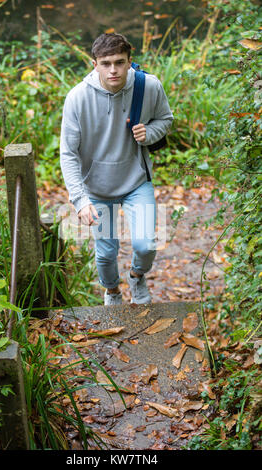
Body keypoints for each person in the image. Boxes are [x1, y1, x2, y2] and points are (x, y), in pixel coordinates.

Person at [60, 33, 173, 306]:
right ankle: (112, 291)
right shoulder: (77, 98)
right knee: (106, 254)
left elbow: (165, 119)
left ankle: (136, 275)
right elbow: (68, 154)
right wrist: (80, 200)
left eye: (119, 62)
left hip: (136, 180)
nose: (113, 70)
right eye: (106, 63)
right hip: (97, 187)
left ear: (129, 61)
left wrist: (151, 131)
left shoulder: (149, 86)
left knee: (146, 245)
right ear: (94, 64)